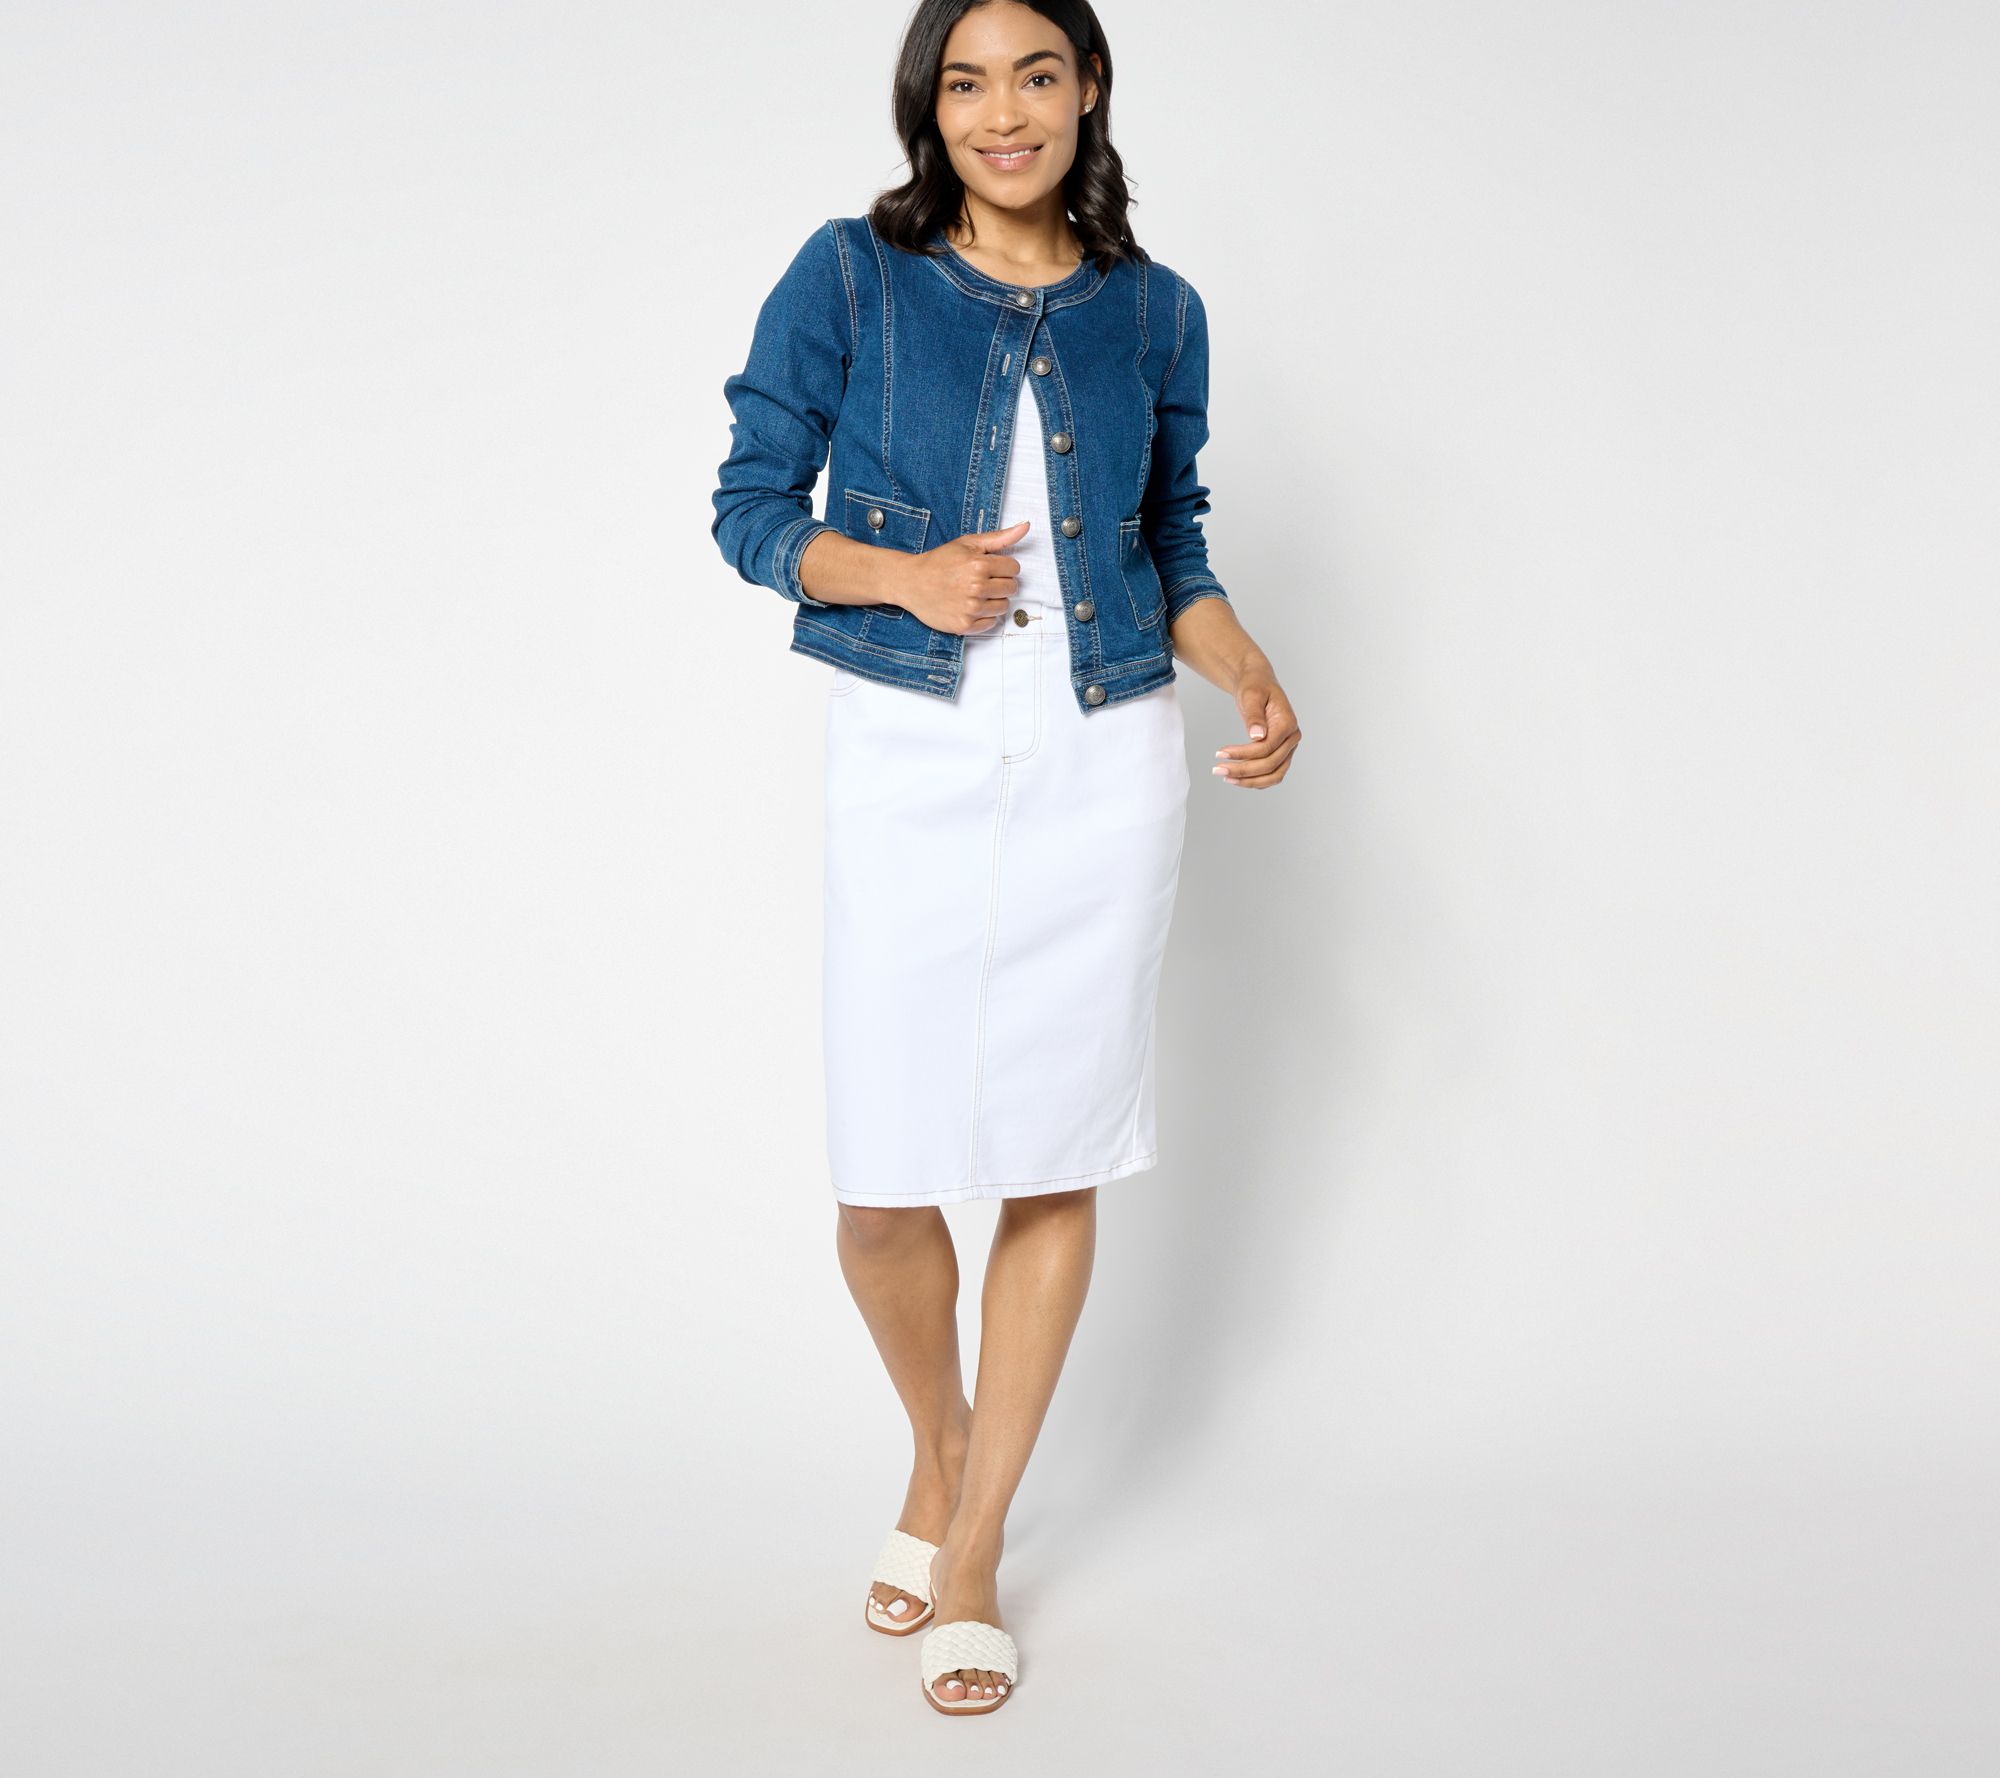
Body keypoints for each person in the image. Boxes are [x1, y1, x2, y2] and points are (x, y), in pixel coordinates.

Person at [710, 0, 1299, 1716]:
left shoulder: (1156, 310)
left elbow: (1170, 537)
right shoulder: (852, 275)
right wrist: (903, 576)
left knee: (1053, 1153)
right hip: (915, 746)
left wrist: (1247, 665)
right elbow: (750, 505)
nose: (1002, 112)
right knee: (884, 1184)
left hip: (1108, 757)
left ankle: (970, 1543)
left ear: (1087, 88)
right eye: (965, 83)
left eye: (1036, 74)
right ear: (930, 106)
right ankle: (944, 1442)